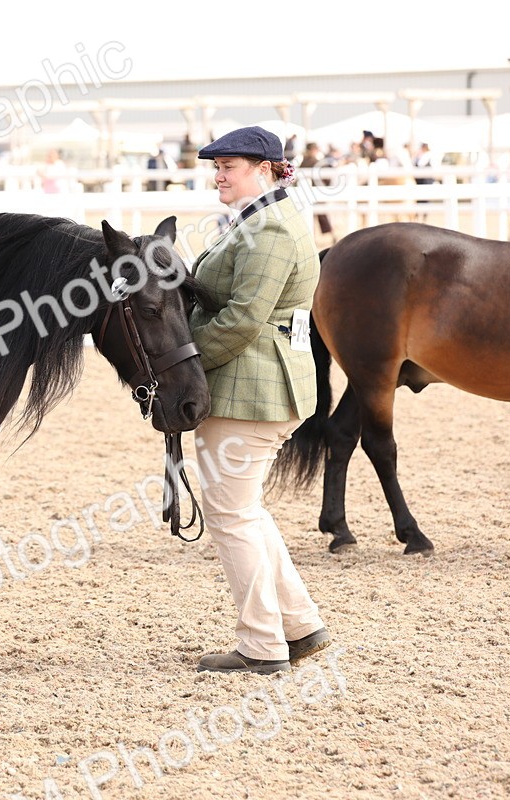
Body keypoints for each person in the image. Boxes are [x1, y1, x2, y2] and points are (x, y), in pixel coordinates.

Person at [186, 125, 330, 675]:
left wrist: (179, 362)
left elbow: (243, 319)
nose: (219, 176)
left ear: (266, 170)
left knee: (230, 517)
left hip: (252, 390)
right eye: (216, 167)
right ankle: (300, 624)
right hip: (263, 385)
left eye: (230, 167)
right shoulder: (263, 217)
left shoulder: (268, 229)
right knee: (245, 510)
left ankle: (261, 644)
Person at [300, 142, 335, 241]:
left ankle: (314, 238)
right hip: (316, 191)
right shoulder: (315, 161)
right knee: (322, 215)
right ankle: (331, 237)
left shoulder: (303, 161)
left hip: (305, 192)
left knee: (309, 216)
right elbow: (326, 176)